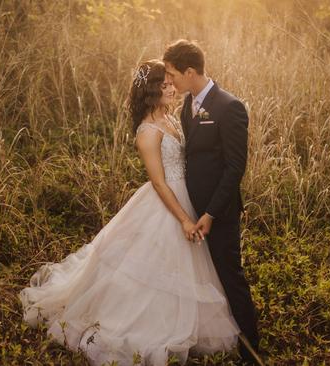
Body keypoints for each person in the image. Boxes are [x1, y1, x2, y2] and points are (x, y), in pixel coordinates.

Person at [20, 59, 240, 366]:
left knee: (187, 269)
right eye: (163, 85)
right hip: (166, 205)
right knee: (150, 271)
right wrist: (184, 220)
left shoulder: (175, 119)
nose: (171, 88)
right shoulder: (147, 131)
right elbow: (160, 183)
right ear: (150, 91)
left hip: (187, 197)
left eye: (170, 82)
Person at [163, 39, 261, 364]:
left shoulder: (229, 107)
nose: (170, 82)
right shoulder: (187, 106)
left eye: (173, 74)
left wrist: (211, 213)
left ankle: (251, 352)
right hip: (193, 209)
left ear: (190, 72)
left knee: (230, 274)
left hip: (219, 213)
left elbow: (236, 167)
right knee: (204, 276)